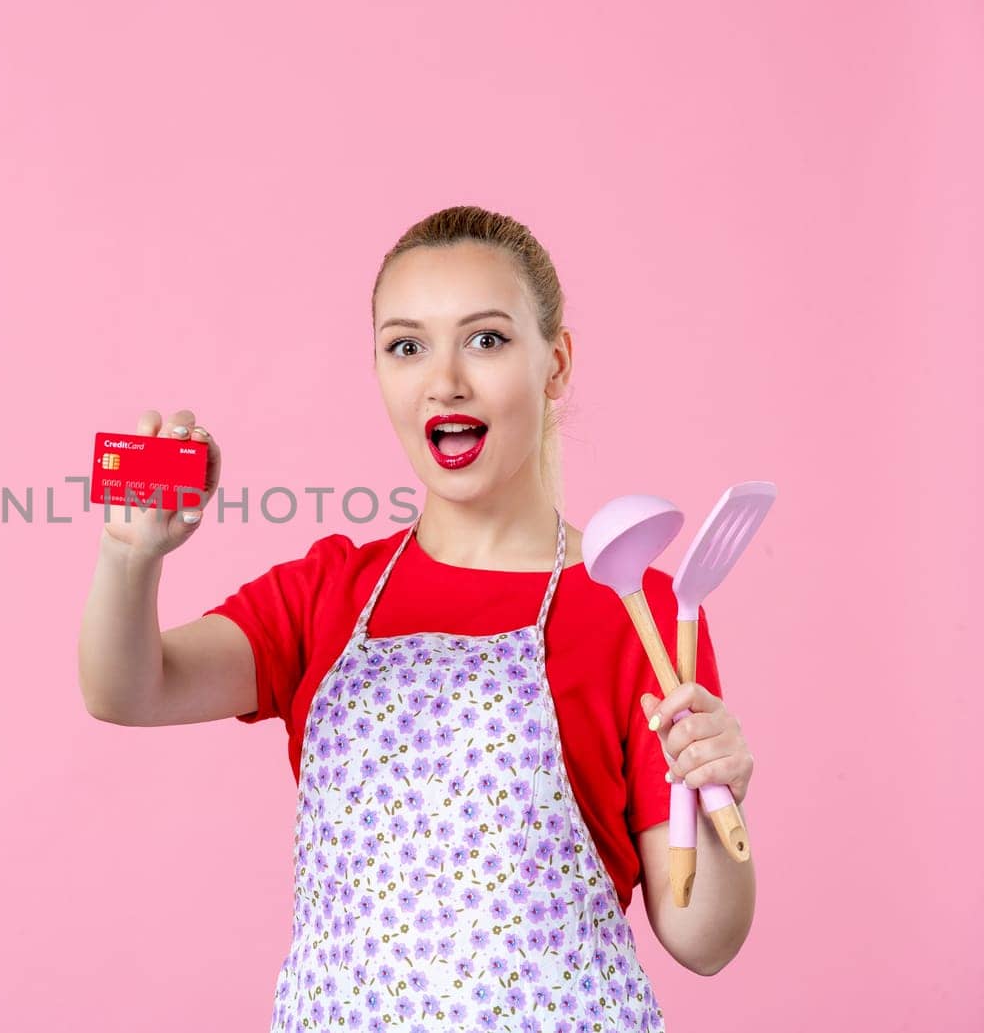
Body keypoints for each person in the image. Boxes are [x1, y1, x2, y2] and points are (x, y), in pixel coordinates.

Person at [78, 204, 756, 1031]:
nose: (445, 380)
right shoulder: (327, 593)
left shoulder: (635, 610)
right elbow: (130, 689)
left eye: (487, 339)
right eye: (407, 346)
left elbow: (703, 938)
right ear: (378, 371)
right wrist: (130, 554)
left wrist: (716, 786)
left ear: (557, 362)